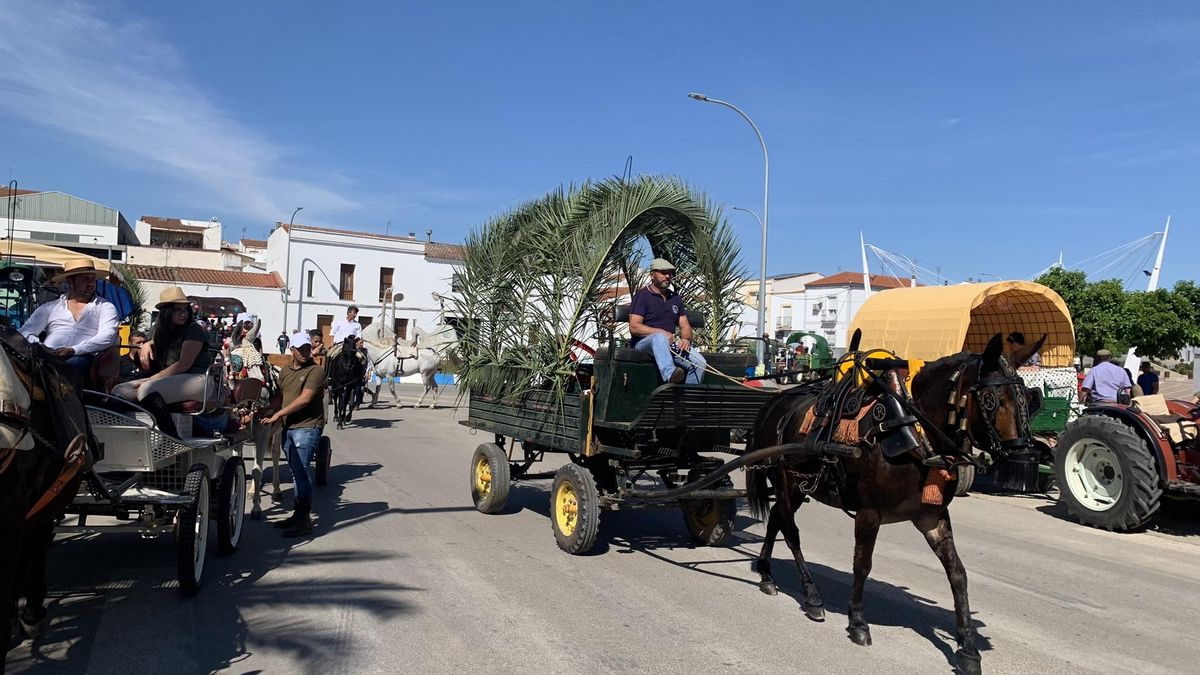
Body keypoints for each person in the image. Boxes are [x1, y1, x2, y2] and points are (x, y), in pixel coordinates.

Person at [112, 287, 214, 436]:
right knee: (119, 390)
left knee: (146, 389)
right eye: (178, 309)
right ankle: (123, 434)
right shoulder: (159, 330)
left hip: (198, 379)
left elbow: (183, 365)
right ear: (167, 312)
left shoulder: (194, 329)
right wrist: (148, 344)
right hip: (173, 379)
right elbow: (157, 342)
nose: (184, 313)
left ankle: (170, 437)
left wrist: (152, 379)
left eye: (185, 309)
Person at [262, 332, 326, 537]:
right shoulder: (285, 371)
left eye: (308, 348)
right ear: (292, 350)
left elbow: (305, 399)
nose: (306, 352)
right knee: (295, 471)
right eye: (302, 349)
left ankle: (304, 519)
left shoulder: (315, 371)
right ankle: (297, 515)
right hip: (289, 427)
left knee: (301, 472)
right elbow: (281, 395)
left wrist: (278, 414)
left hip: (307, 427)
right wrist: (265, 411)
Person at [19, 258, 119, 378]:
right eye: (85, 279)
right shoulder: (50, 307)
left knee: (72, 365)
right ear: (70, 281)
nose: (91, 283)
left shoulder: (105, 307)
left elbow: (107, 336)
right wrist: (41, 347)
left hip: (85, 357)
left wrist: (74, 350)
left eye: (93, 279)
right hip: (48, 356)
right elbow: (26, 331)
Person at [629, 258, 707, 384]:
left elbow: (685, 325)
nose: (667, 276)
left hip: (670, 343)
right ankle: (670, 374)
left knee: (700, 363)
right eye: (663, 272)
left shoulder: (675, 298)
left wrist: (686, 339)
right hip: (643, 343)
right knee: (659, 337)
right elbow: (634, 327)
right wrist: (662, 333)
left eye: (669, 273)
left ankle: (687, 401)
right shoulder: (643, 295)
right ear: (652, 275)